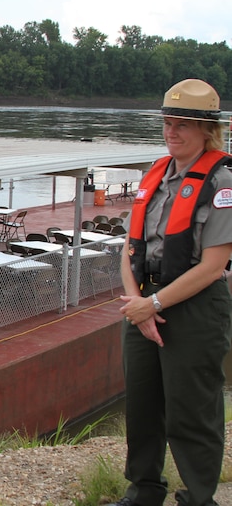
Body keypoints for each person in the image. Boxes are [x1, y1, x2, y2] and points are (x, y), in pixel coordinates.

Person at [114, 79, 232, 506]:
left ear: (208, 131)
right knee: (142, 406)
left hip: (195, 307)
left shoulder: (221, 184)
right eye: (168, 122)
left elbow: (214, 265)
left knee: (193, 408)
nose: (172, 132)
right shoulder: (156, 176)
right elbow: (129, 249)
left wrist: (155, 304)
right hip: (144, 301)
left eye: (184, 124)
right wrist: (138, 305)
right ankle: (144, 489)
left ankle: (199, 496)